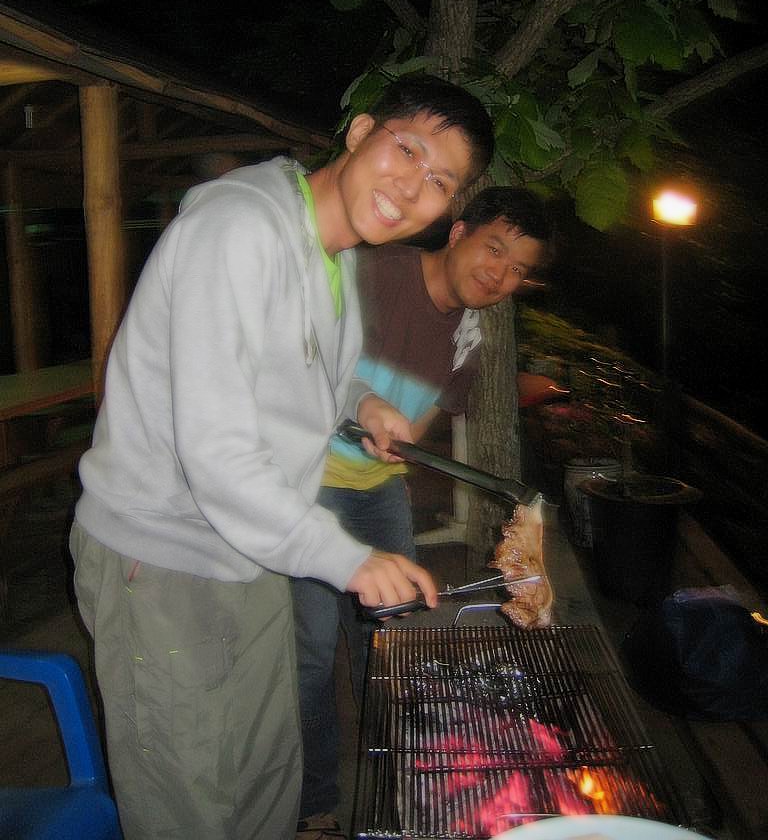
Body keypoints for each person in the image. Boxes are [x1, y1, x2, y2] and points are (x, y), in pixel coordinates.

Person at [68, 74, 495, 840]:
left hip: (252, 548)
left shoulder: (336, 254)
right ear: (360, 132)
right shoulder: (238, 228)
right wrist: (349, 559)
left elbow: (295, 365)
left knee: (268, 772)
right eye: (408, 150)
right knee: (189, 801)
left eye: (440, 182)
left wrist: (360, 404)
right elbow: (215, 448)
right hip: (162, 557)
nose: (412, 187)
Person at [293, 187, 553, 839]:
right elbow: (300, 356)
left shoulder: (470, 335)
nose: (500, 273)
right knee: (312, 649)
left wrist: (395, 457)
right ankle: (314, 801)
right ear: (458, 231)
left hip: (379, 490)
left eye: (517, 268)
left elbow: (419, 425)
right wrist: (361, 407)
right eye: (494, 248)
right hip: (304, 482)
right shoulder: (371, 272)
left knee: (391, 642)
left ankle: (397, 779)